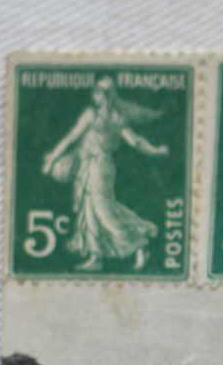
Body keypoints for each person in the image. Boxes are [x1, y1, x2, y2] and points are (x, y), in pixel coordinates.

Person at [41, 77, 169, 271]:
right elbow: (73, 137)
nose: (95, 95)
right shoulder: (108, 116)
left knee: (103, 210)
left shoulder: (105, 116)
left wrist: (156, 151)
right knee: (89, 210)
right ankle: (96, 257)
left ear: (104, 95)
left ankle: (139, 246)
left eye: (98, 92)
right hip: (89, 164)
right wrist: (156, 150)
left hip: (100, 165)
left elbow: (134, 141)